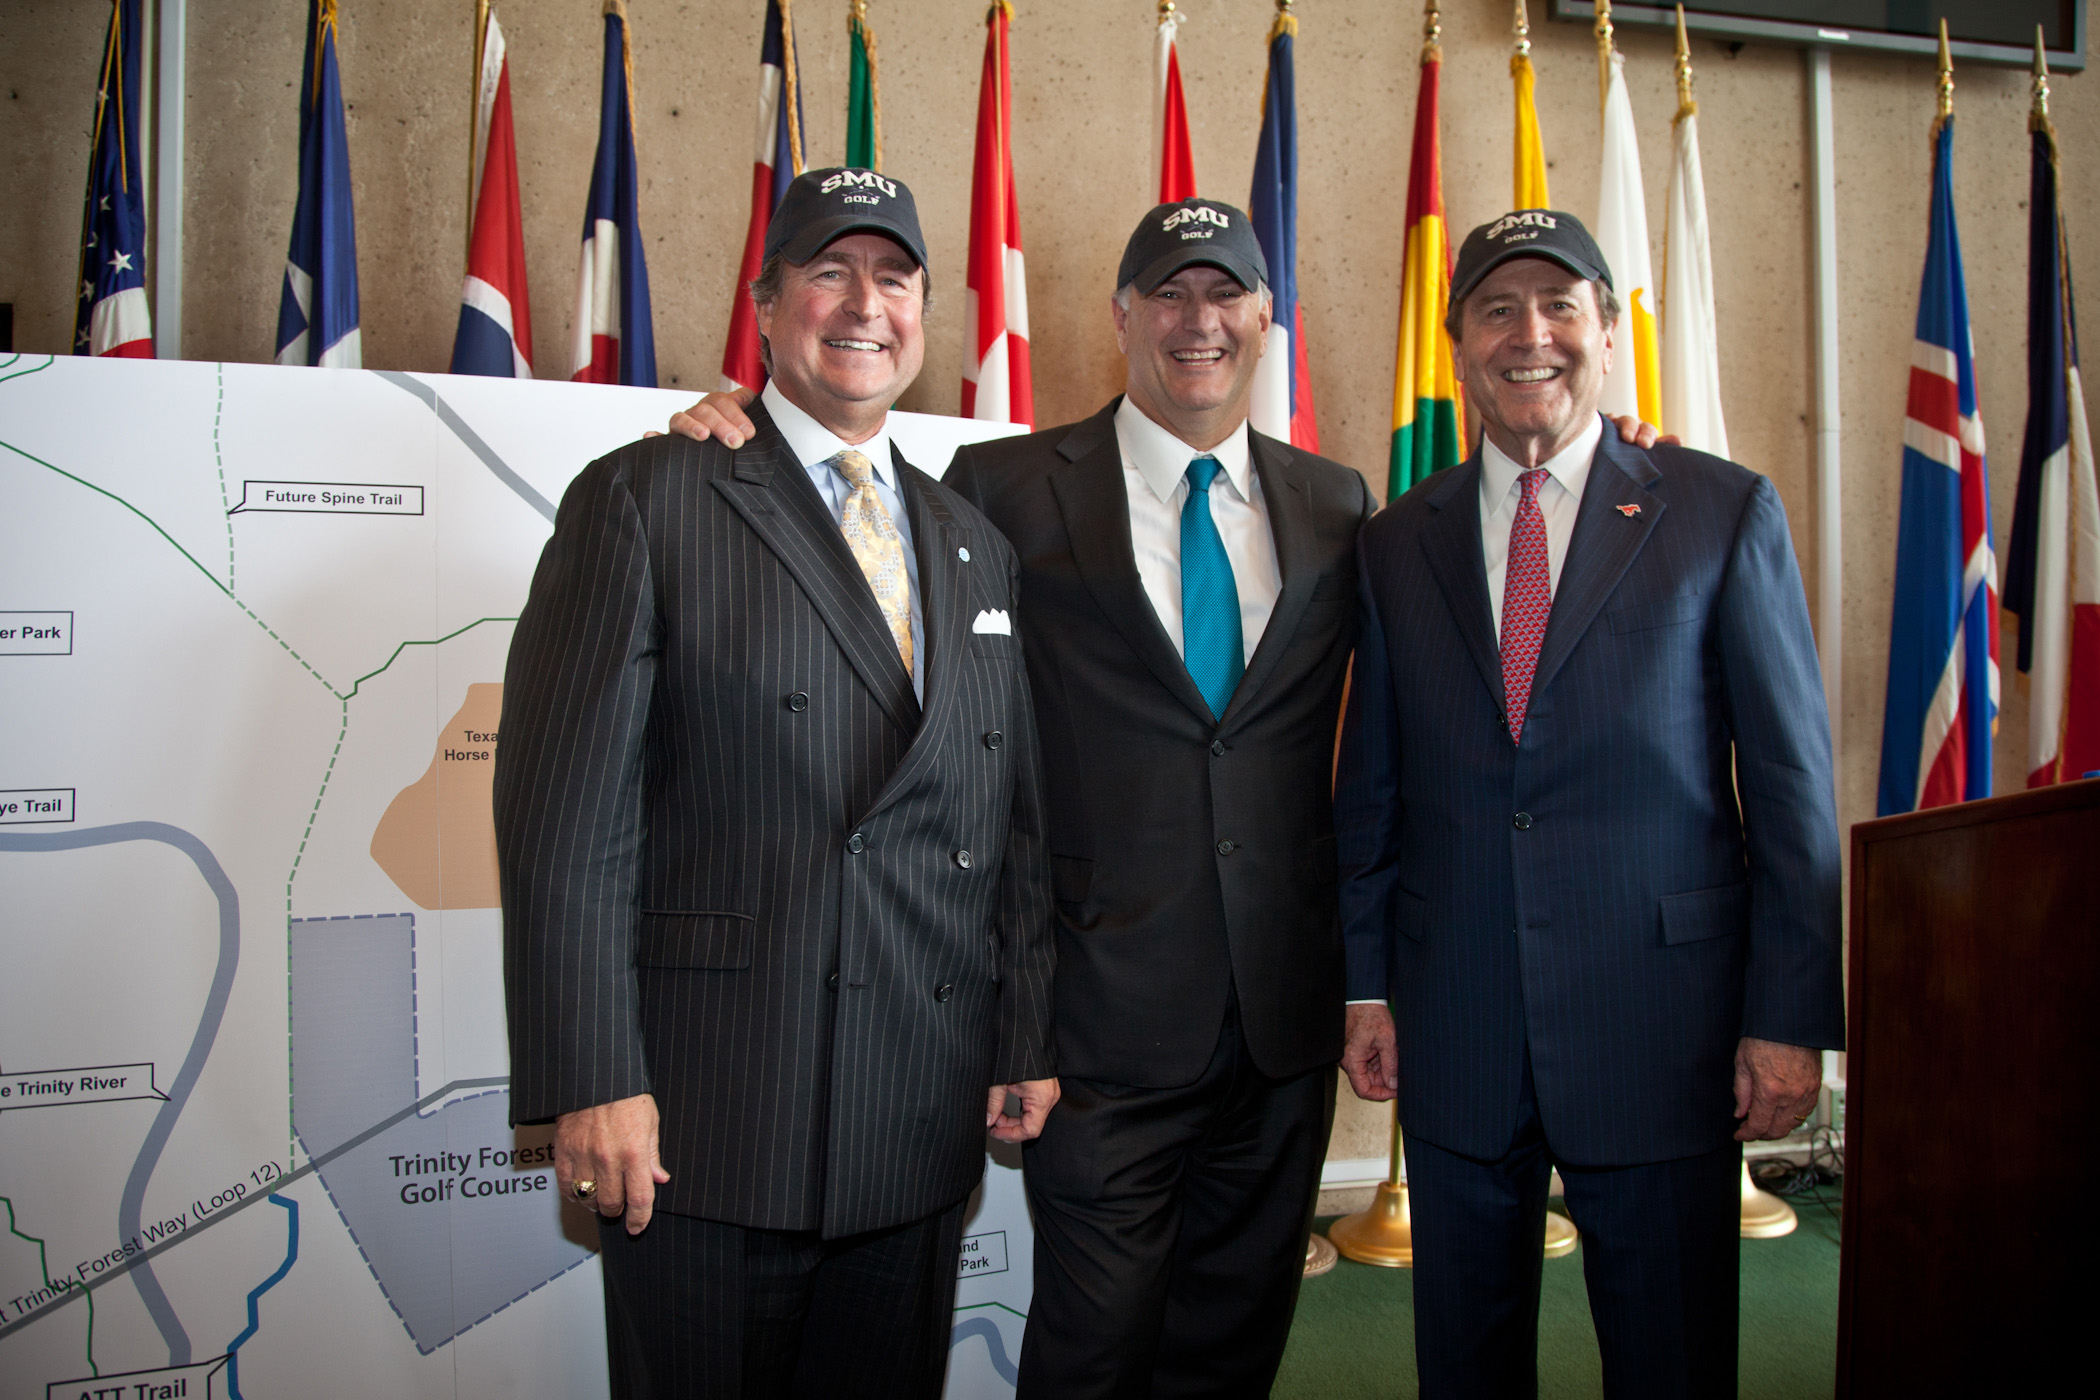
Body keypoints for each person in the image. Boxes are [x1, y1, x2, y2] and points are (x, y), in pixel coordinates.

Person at [675, 196, 1367, 1397]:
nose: (1195, 321)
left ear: (1267, 320)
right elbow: (848, 562)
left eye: (1223, 296)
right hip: (1093, 1019)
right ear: (1120, 316)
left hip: (1279, 1019)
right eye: (1167, 293)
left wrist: (1615, 449)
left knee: (1237, 1335)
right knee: (1090, 1349)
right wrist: (735, 432)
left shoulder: (1341, 506)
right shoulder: (993, 487)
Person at [494, 166, 1058, 1399]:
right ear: (766, 305)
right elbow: (563, 825)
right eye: (829, 271)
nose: (866, 302)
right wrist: (592, 1074)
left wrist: (1019, 1031)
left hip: (912, 1115)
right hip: (709, 1122)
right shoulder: (647, 498)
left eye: (896, 277)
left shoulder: (973, 543)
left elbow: (1006, 817)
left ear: (925, 313)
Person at [1334, 209, 1845, 1399]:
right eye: (1498, 309)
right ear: (1457, 345)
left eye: (1562, 306)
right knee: (1464, 1358)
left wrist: (1788, 1016)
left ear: (1608, 335)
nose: (1532, 336)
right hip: (1455, 1018)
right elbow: (1374, 789)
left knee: (1668, 1357)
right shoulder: (1395, 543)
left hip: (1659, 1024)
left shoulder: (1720, 511)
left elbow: (1791, 795)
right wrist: (1366, 982)